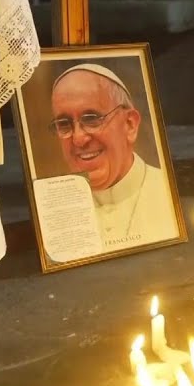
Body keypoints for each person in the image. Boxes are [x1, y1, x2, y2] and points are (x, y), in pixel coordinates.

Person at [49, 64, 179, 249]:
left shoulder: (168, 192)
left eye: (92, 118)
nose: (78, 139)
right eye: (64, 124)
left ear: (129, 125)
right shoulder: (53, 211)